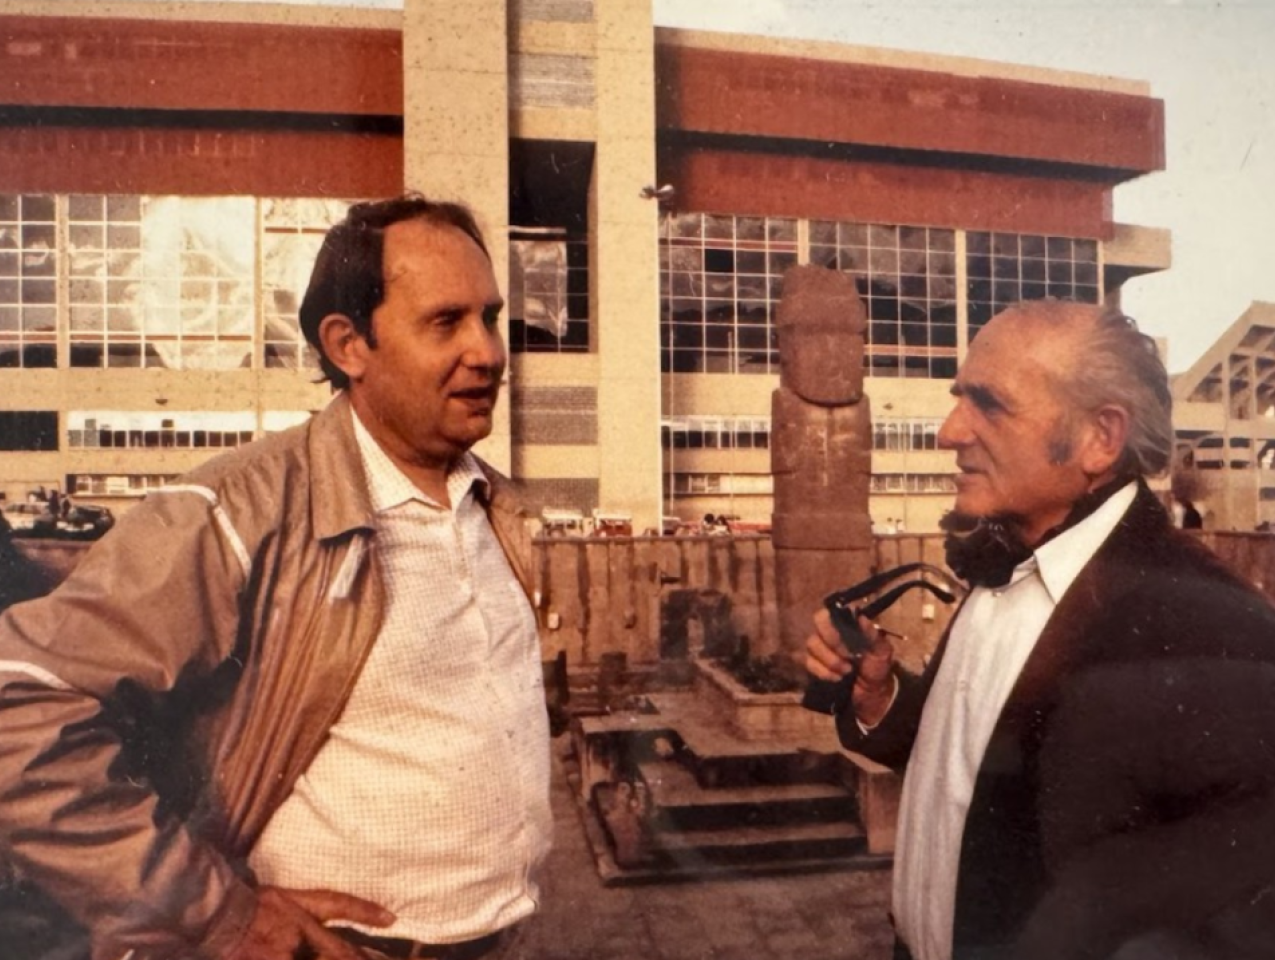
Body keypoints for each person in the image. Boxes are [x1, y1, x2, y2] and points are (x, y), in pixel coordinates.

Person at [0, 195, 551, 960]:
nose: (487, 351)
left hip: (503, 940)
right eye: (444, 322)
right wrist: (213, 911)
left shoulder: (494, 508)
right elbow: (18, 696)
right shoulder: (240, 509)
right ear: (347, 344)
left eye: (489, 318)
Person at [806, 301, 1275, 960]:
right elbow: (973, 764)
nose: (948, 431)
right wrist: (881, 699)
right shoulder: (1004, 557)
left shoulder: (1209, 626)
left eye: (989, 404)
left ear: (1099, 438)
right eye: (958, 398)